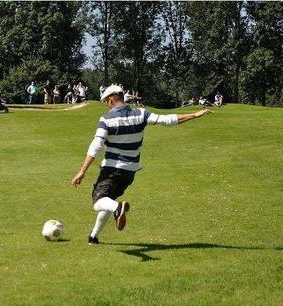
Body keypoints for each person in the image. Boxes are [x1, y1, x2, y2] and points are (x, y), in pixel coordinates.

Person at [71, 85, 211, 244]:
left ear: (111, 99)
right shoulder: (141, 113)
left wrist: (82, 171)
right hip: (130, 172)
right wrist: (194, 114)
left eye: (106, 101)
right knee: (108, 199)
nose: (106, 105)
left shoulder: (106, 119)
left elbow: (96, 146)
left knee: (98, 201)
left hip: (111, 168)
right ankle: (94, 236)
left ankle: (117, 209)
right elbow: (167, 120)